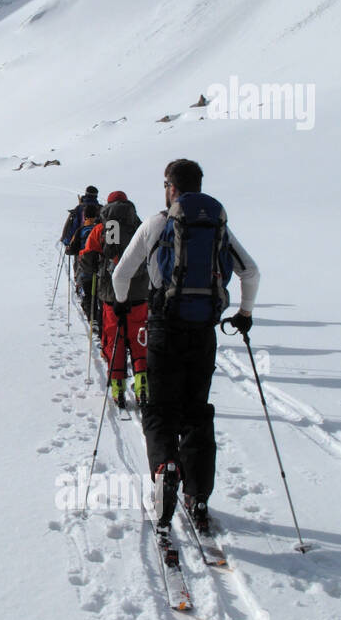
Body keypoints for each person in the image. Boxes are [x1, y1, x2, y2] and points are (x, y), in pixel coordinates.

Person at [110, 160, 258, 536]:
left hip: (162, 327)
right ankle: (199, 495)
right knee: (197, 412)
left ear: (171, 187)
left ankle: (164, 470)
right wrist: (244, 313)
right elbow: (250, 272)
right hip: (203, 331)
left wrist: (124, 304)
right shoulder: (216, 223)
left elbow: (121, 273)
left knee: (159, 411)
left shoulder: (158, 223)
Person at [82, 191, 148, 411]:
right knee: (139, 339)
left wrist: (94, 272)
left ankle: (118, 387)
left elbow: (88, 259)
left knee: (115, 338)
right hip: (139, 294)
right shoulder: (140, 226)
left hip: (110, 295)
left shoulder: (101, 229)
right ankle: (142, 385)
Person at [67, 203, 101, 332]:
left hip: (85, 267)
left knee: (88, 295)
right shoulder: (100, 228)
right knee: (98, 295)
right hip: (99, 268)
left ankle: (92, 319)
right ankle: (100, 319)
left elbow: (72, 249)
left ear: (84, 215)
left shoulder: (81, 230)